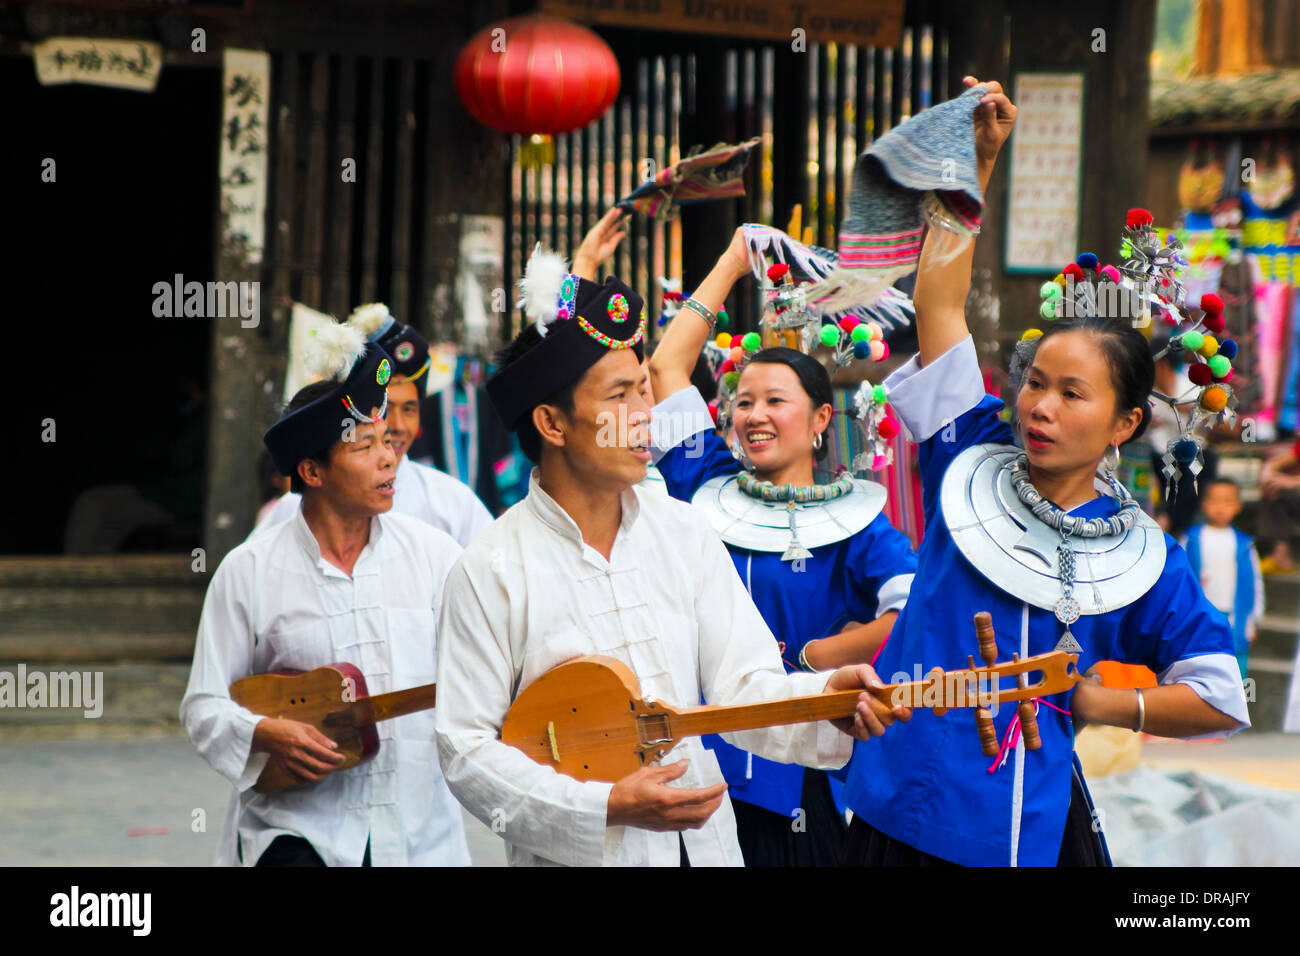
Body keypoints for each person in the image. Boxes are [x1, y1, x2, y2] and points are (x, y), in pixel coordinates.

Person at [838, 77, 1249, 867]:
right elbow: (940, 309)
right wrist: (977, 165)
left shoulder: (1139, 553)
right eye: (1034, 383)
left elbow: (1219, 693)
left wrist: (1098, 700)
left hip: (1029, 823)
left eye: (1071, 394)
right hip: (904, 810)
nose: (1040, 407)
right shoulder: (969, 454)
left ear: (1126, 423)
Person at [433, 250, 909, 866]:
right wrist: (604, 807)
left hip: (704, 847)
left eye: (645, 392)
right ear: (552, 423)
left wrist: (825, 699)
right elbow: (466, 749)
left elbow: (743, 684)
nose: (643, 418)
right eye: (620, 397)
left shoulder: (683, 532)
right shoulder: (490, 568)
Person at [646, 229, 918, 866]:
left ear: (822, 420)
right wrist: (732, 262)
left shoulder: (856, 521)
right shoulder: (704, 482)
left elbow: (911, 610)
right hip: (688, 763)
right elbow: (665, 367)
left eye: (775, 400)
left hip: (789, 772)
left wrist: (812, 654)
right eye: (743, 402)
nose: (754, 415)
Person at [181, 327, 471, 866]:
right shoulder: (249, 571)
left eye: (388, 441)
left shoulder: (438, 557)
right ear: (312, 471)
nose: (389, 459)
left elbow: (489, 668)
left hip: (420, 840)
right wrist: (266, 732)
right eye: (365, 446)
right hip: (301, 838)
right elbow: (203, 708)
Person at [258, 304, 493, 548]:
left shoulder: (452, 506)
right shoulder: (291, 513)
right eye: (387, 409)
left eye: (410, 409)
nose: (399, 426)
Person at [1182, 478, 1263, 679]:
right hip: (1200, 613)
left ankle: (1233, 707)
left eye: (1227, 502)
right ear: (1205, 503)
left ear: (1238, 506)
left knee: (1235, 667)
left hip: (1235, 617)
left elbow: (1255, 584)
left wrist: (1253, 621)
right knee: (1200, 662)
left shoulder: (1245, 545)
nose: (1221, 508)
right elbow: (1181, 577)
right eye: (1215, 501)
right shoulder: (1192, 539)